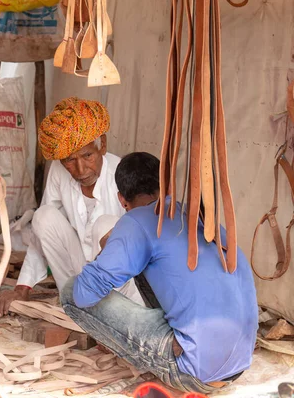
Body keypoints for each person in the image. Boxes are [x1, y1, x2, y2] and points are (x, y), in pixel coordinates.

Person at [61, 152, 258, 394]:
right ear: (166, 186)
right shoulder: (196, 215)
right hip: (240, 361)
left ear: (122, 200)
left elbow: (83, 295)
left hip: (194, 373)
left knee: (71, 290)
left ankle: (174, 351)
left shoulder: (137, 221)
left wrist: (106, 253)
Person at [0, 97, 142, 316]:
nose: (80, 169)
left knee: (106, 225)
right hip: (81, 278)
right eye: (69, 161)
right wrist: (22, 288)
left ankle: (110, 314)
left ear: (102, 144)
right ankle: (74, 305)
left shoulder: (123, 173)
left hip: (121, 284)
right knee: (42, 217)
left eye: (87, 155)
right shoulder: (59, 171)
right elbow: (40, 234)